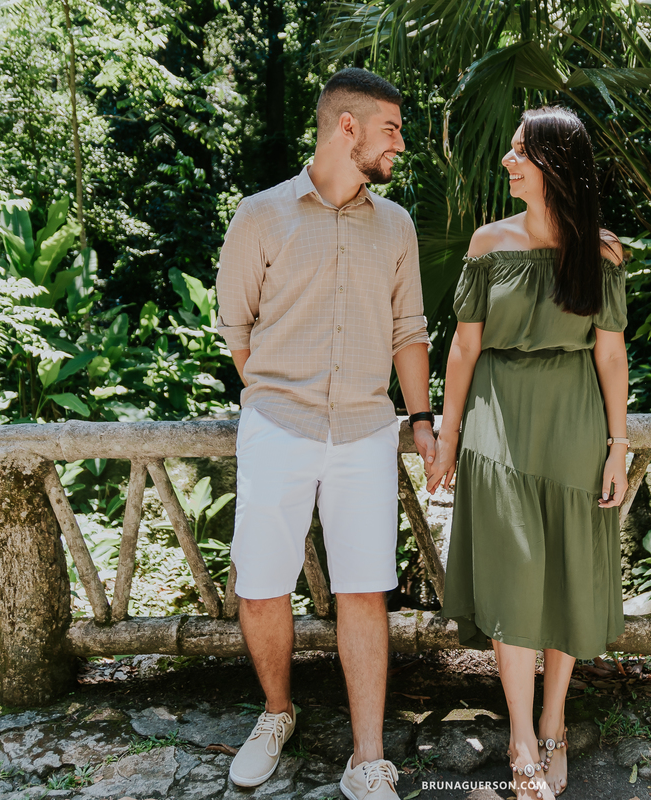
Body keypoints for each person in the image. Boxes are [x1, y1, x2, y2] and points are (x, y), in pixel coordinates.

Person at [215, 67, 436, 800]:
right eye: (391, 129)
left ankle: (367, 754)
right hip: (278, 425)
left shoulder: (396, 225)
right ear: (349, 127)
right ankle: (277, 713)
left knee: (365, 588)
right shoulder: (261, 216)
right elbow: (236, 331)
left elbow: (409, 333)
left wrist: (424, 421)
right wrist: (279, 395)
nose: (399, 144)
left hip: (369, 431)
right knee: (262, 586)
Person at [425, 105, 630, 800]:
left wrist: (618, 445)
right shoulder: (489, 242)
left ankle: (553, 723)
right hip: (499, 424)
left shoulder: (600, 251)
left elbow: (610, 353)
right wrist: (449, 433)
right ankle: (517, 735)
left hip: (575, 424)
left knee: (568, 575)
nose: (508, 162)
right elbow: (463, 347)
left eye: (520, 151)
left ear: (555, 164)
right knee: (515, 580)